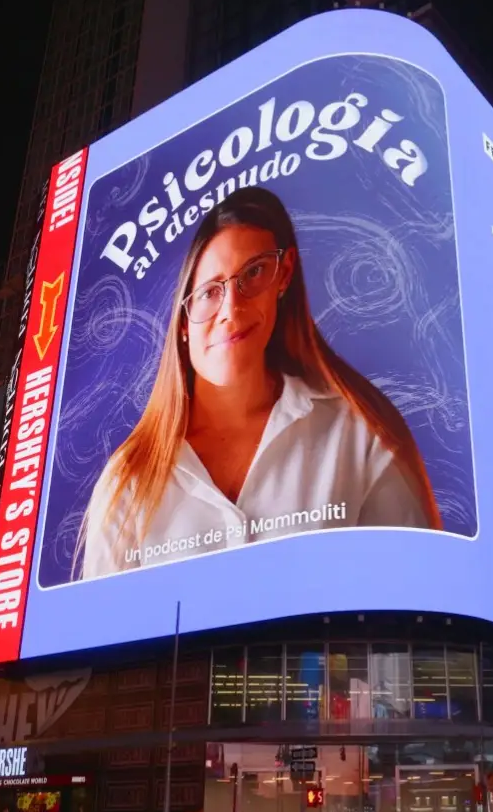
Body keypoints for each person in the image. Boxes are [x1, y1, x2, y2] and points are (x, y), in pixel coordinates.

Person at [79, 188, 442, 578]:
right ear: (182, 324)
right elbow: (101, 635)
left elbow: (415, 593)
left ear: (283, 275)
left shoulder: (359, 435)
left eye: (253, 273)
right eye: (208, 293)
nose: (231, 311)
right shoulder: (127, 480)